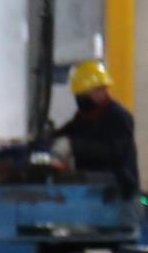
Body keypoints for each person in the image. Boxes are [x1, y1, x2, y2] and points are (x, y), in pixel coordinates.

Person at [57, 58, 141, 192]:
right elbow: (66, 132)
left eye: (85, 94)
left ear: (100, 90)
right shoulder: (84, 117)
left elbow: (113, 151)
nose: (81, 98)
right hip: (93, 189)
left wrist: (73, 145)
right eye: (80, 95)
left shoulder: (118, 117)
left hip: (119, 190)